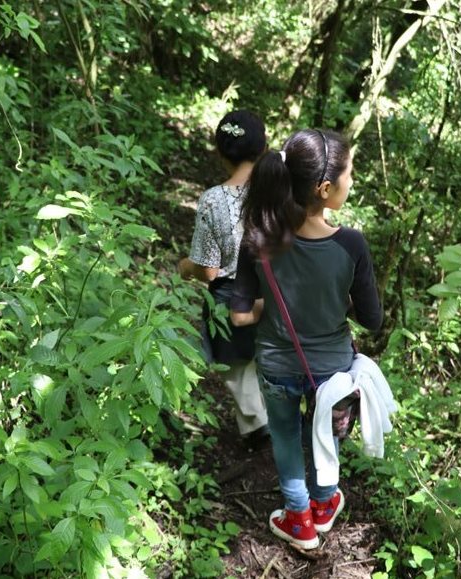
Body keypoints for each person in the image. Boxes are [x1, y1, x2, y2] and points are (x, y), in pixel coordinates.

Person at [230, 129, 382, 549]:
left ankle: (298, 520)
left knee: (283, 435)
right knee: (324, 433)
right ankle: (321, 503)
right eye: (349, 174)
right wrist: (337, 303)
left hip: (277, 364)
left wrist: (273, 310)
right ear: (325, 187)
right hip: (330, 369)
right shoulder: (350, 244)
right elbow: (373, 319)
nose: (352, 182)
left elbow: (240, 314)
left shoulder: (258, 238)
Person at [178, 110, 269, 449]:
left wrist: (187, 267)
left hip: (232, 297)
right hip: (275, 291)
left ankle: (260, 427)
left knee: (236, 367)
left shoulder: (214, 199)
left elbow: (209, 269)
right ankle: (267, 423)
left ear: (219, 151)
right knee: (262, 361)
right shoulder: (278, 192)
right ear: (264, 147)